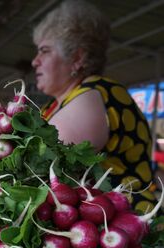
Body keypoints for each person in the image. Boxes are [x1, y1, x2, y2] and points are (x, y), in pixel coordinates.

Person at [32, 0, 156, 212]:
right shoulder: (54, 105)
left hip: (122, 225)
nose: (35, 61)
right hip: (94, 223)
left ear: (77, 58)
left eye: (45, 51)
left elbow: (38, 163)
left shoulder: (93, 93)